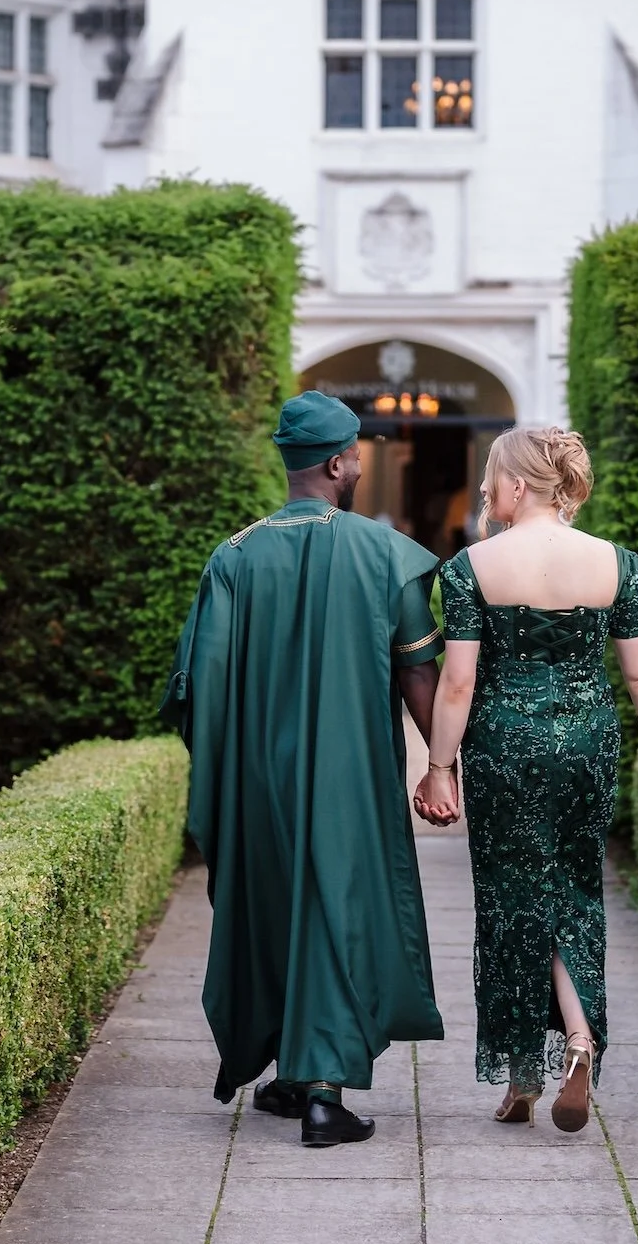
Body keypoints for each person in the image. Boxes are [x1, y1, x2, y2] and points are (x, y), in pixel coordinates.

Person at [159, 390, 452, 1147]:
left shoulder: (231, 556)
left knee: (277, 902)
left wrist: (231, 775)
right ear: (335, 463)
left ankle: (289, 1074)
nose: (358, 463)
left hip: (255, 774)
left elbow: (201, 691)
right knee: (334, 909)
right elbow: (422, 675)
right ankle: (324, 1090)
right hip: (348, 772)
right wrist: (443, 764)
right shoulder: (385, 553)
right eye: (356, 453)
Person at [413, 427, 638, 1133]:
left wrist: (439, 766)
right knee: (572, 887)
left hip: (504, 747)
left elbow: (458, 681)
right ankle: (580, 1038)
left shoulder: (471, 566)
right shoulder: (616, 562)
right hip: (588, 744)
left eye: (491, 480)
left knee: (510, 899)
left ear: (520, 486)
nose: (484, 493)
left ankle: (524, 1073)